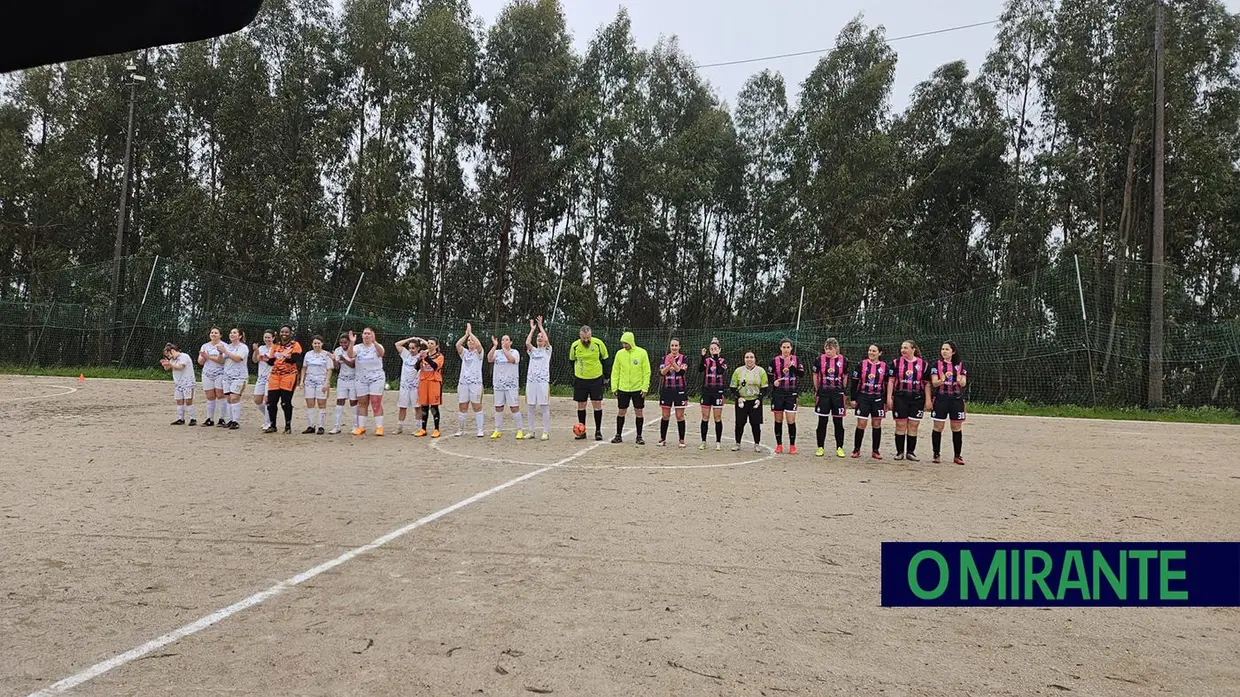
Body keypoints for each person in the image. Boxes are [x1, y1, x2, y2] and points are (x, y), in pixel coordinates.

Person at [888, 340, 932, 461]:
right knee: (900, 424)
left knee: (913, 425)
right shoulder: (896, 363)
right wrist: (888, 398)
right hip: (900, 397)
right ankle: (900, 452)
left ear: (913, 350)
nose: (903, 350)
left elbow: (927, 384)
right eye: (902, 347)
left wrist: (928, 400)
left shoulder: (924, 365)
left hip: (917, 398)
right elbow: (891, 381)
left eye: (906, 348)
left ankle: (910, 452)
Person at [849, 344, 891, 459]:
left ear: (880, 353)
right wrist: (853, 398)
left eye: (874, 351)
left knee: (876, 424)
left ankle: (875, 450)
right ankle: (856, 449)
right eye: (869, 350)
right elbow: (854, 383)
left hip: (878, 398)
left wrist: (887, 401)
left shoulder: (884, 367)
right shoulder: (861, 365)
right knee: (861, 423)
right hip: (863, 397)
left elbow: (887, 385)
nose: (871, 352)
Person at [568, 325, 609, 440]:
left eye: (588, 338)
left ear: (591, 335)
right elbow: (572, 361)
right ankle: (582, 431)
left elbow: (605, 359)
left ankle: (598, 431)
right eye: (583, 338)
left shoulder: (598, 344)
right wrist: (578, 373)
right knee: (581, 405)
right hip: (580, 379)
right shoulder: (575, 346)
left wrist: (606, 376)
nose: (586, 340)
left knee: (597, 404)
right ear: (580, 336)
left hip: (596, 378)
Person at [930, 341, 968, 465]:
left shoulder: (960, 365)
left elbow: (963, 383)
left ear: (953, 351)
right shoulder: (937, 365)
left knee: (956, 427)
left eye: (947, 349)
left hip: (956, 400)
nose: (944, 351)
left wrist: (960, 380)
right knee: (938, 427)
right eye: (942, 349)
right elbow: (934, 383)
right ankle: (936, 454)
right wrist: (941, 380)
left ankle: (957, 455)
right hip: (941, 399)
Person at [610, 330, 650, 445]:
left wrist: (644, 387)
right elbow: (615, 371)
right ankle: (618, 435)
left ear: (631, 342)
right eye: (623, 343)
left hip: (637, 388)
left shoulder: (642, 353)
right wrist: (614, 387)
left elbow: (646, 372)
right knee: (621, 411)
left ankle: (639, 436)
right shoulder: (619, 354)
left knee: (639, 411)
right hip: (623, 388)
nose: (624, 346)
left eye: (626, 343)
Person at [811, 338, 850, 458]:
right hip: (823, 394)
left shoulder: (844, 360)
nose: (828, 351)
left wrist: (843, 390)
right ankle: (820, 447)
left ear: (836, 349)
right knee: (822, 421)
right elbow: (815, 375)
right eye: (826, 349)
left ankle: (839, 447)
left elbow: (845, 376)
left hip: (837, 395)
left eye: (831, 349)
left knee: (838, 422)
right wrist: (817, 390)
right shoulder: (819, 359)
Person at [264, 326, 302, 434]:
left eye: (286, 332)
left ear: (290, 333)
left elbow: (295, 359)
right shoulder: (276, 346)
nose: (284, 333)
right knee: (271, 402)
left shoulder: (295, 345)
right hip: (275, 375)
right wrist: (266, 359)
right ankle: (272, 425)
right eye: (282, 332)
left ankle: (288, 426)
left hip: (289, 375)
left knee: (285, 402)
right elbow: (271, 361)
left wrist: (282, 356)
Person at [768, 338, 804, 454]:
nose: (786, 349)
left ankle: (792, 445)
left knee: (791, 420)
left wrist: (792, 367)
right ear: (780, 348)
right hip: (778, 394)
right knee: (778, 420)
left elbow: (801, 374)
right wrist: (773, 382)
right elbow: (769, 376)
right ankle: (779, 445)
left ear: (791, 348)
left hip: (791, 394)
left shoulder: (796, 360)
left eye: (788, 347)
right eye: (784, 347)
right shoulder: (775, 361)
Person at [729, 350, 769, 453]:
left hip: (755, 401)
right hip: (742, 400)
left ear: (755, 359)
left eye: (751, 357)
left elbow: (765, 387)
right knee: (739, 423)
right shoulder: (738, 371)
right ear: (744, 359)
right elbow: (732, 387)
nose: (749, 359)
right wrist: (738, 397)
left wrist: (759, 399)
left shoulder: (761, 371)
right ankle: (737, 443)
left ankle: (757, 444)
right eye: (747, 357)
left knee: (755, 424)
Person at [350, 327, 386, 436]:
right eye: (364, 333)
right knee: (362, 402)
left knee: (376, 402)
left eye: (368, 334)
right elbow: (350, 355)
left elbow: (381, 353)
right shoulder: (358, 347)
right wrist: (351, 343)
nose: (366, 335)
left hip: (376, 378)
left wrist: (374, 342)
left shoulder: (376, 346)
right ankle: (361, 427)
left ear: (372, 335)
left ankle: (379, 427)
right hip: (361, 379)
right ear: (362, 335)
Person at [488, 333, 523, 439]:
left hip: (511, 385)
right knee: (498, 407)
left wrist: (504, 349)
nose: (504, 341)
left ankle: (519, 430)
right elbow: (489, 359)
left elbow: (512, 360)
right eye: (503, 340)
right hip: (498, 385)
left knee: (514, 407)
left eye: (507, 340)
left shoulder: (515, 352)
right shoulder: (497, 353)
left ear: (511, 342)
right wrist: (494, 346)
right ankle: (497, 430)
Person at [523, 316, 552, 441]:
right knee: (530, 406)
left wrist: (540, 326)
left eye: (541, 337)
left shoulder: (547, 350)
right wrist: (532, 329)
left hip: (543, 382)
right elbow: (527, 343)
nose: (540, 338)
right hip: (531, 382)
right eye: (538, 337)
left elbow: (546, 339)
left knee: (544, 406)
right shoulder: (533, 351)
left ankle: (545, 432)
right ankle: (531, 431)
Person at [455, 323, 486, 437]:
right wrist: (466, 335)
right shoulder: (465, 353)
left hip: (475, 384)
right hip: (463, 383)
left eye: (471, 340)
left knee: (477, 406)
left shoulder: (479, 354)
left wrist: (471, 333)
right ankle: (460, 429)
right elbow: (458, 345)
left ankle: (480, 430)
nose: (470, 341)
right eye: (469, 340)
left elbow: (479, 345)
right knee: (462, 406)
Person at [697, 338, 728, 451]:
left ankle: (718, 442)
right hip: (706, 391)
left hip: (718, 392)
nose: (713, 350)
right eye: (711, 349)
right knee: (705, 417)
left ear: (719, 349)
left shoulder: (722, 361)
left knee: (717, 417)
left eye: (715, 348)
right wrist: (702, 357)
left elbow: (720, 371)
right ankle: (703, 441)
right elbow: (700, 369)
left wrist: (716, 358)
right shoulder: (706, 361)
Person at [657, 338, 689, 447]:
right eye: (672, 346)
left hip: (680, 390)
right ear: (670, 347)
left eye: (676, 346)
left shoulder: (684, 358)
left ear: (679, 347)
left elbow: (681, 372)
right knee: (665, 415)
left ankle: (681, 440)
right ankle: (662, 438)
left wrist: (674, 364)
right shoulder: (664, 358)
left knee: (679, 415)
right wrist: (669, 366)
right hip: (667, 390)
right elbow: (661, 373)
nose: (674, 348)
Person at [301, 335, 334, 434]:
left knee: (321, 404)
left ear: (322, 344)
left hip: (321, 381)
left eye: (318, 343)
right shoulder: (308, 354)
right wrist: (302, 380)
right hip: (309, 381)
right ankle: (311, 425)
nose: (317, 345)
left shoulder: (326, 355)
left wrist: (326, 383)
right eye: (315, 343)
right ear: (312, 344)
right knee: (310, 403)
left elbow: (329, 370)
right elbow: (304, 368)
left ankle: (321, 426)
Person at [160, 342, 197, 425]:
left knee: (188, 400)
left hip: (188, 382)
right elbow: (168, 368)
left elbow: (180, 367)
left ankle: (192, 418)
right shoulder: (172, 359)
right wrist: (165, 364)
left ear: (172, 351)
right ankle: (180, 418)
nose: (168, 357)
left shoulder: (184, 356)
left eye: (168, 354)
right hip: (178, 383)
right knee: (179, 401)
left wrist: (170, 364)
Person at [395, 335, 425, 435]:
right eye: (410, 348)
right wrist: (409, 339)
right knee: (402, 407)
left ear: (418, 348)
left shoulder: (421, 356)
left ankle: (418, 427)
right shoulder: (405, 354)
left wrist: (422, 341)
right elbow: (397, 344)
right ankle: (399, 427)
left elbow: (433, 348)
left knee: (417, 407)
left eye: (413, 348)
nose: (411, 350)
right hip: (404, 386)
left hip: (415, 387)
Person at [414, 337, 444, 438]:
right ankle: (423, 429)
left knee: (434, 406)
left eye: (432, 343)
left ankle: (436, 429)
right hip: (424, 382)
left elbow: (435, 366)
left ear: (436, 346)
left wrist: (426, 357)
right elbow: (416, 367)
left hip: (434, 382)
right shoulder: (424, 355)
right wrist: (420, 359)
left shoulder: (439, 356)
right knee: (424, 406)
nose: (430, 345)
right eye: (429, 343)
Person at [220, 328, 249, 430]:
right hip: (227, 376)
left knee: (234, 398)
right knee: (228, 398)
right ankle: (230, 420)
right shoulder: (227, 347)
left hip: (239, 376)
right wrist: (220, 353)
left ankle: (236, 421)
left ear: (240, 336)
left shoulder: (243, 347)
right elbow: (221, 361)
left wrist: (225, 352)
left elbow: (238, 359)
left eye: (234, 333)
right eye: (231, 332)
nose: (232, 334)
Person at [197, 327, 226, 427]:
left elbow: (221, 361)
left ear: (220, 335)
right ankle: (210, 419)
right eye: (212, 332)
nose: (213, 334)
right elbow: (200, 361)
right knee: (210, 396)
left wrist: (208, 357)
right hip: (207, 373)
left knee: (220, 395)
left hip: (220, 373)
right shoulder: (205, 346)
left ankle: (222, 419)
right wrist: (203, 357)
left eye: (216, 333)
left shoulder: (223, 345)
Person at [331, 333, 359, 435]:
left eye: (345, 342)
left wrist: (343, 359)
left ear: (349, 342)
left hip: (353, 378)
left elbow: (353, 365)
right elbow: (337, 368)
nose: (343, 344)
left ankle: (356, 425)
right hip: (342, 379)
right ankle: (336, 426)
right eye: (341, 342)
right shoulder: (338, 350)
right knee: (339, 401)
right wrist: (335, 360)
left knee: (353, 402)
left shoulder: (354, 350)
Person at [251, 330, 275, 430]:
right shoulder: (261, 348)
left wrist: (267, 358)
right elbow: (254, 360)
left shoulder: (276, 348)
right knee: (257, 400)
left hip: (271, 377)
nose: (267, 339)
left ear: (273, 338)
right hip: (261, 376)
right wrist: (256, 351)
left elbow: (276, 362)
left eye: (269, 337)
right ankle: (270, 417)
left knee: (266, 400)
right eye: (265, 337)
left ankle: (268, 422)